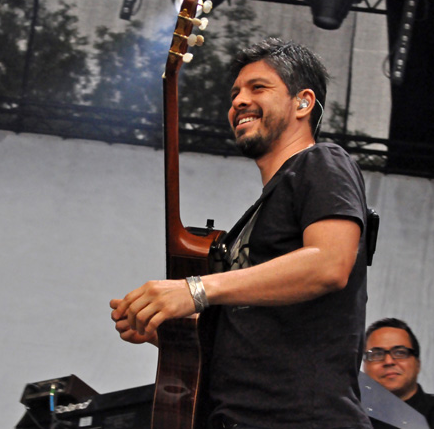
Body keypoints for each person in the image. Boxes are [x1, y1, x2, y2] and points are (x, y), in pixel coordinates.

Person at [110, 37, 371, 428]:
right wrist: (165, 330)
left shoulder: (322, 162)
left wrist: (195, 290)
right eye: (234, 93)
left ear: (303, 102)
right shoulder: (253, 220)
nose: (238, 101)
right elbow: (251, 342)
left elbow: (330, 264)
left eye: (258, 88)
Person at [363, 318, 434, 428]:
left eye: (400, 352)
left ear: (417, 364)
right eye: (377, 354)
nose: (389, 361)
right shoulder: (352, 417)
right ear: (364, 366)